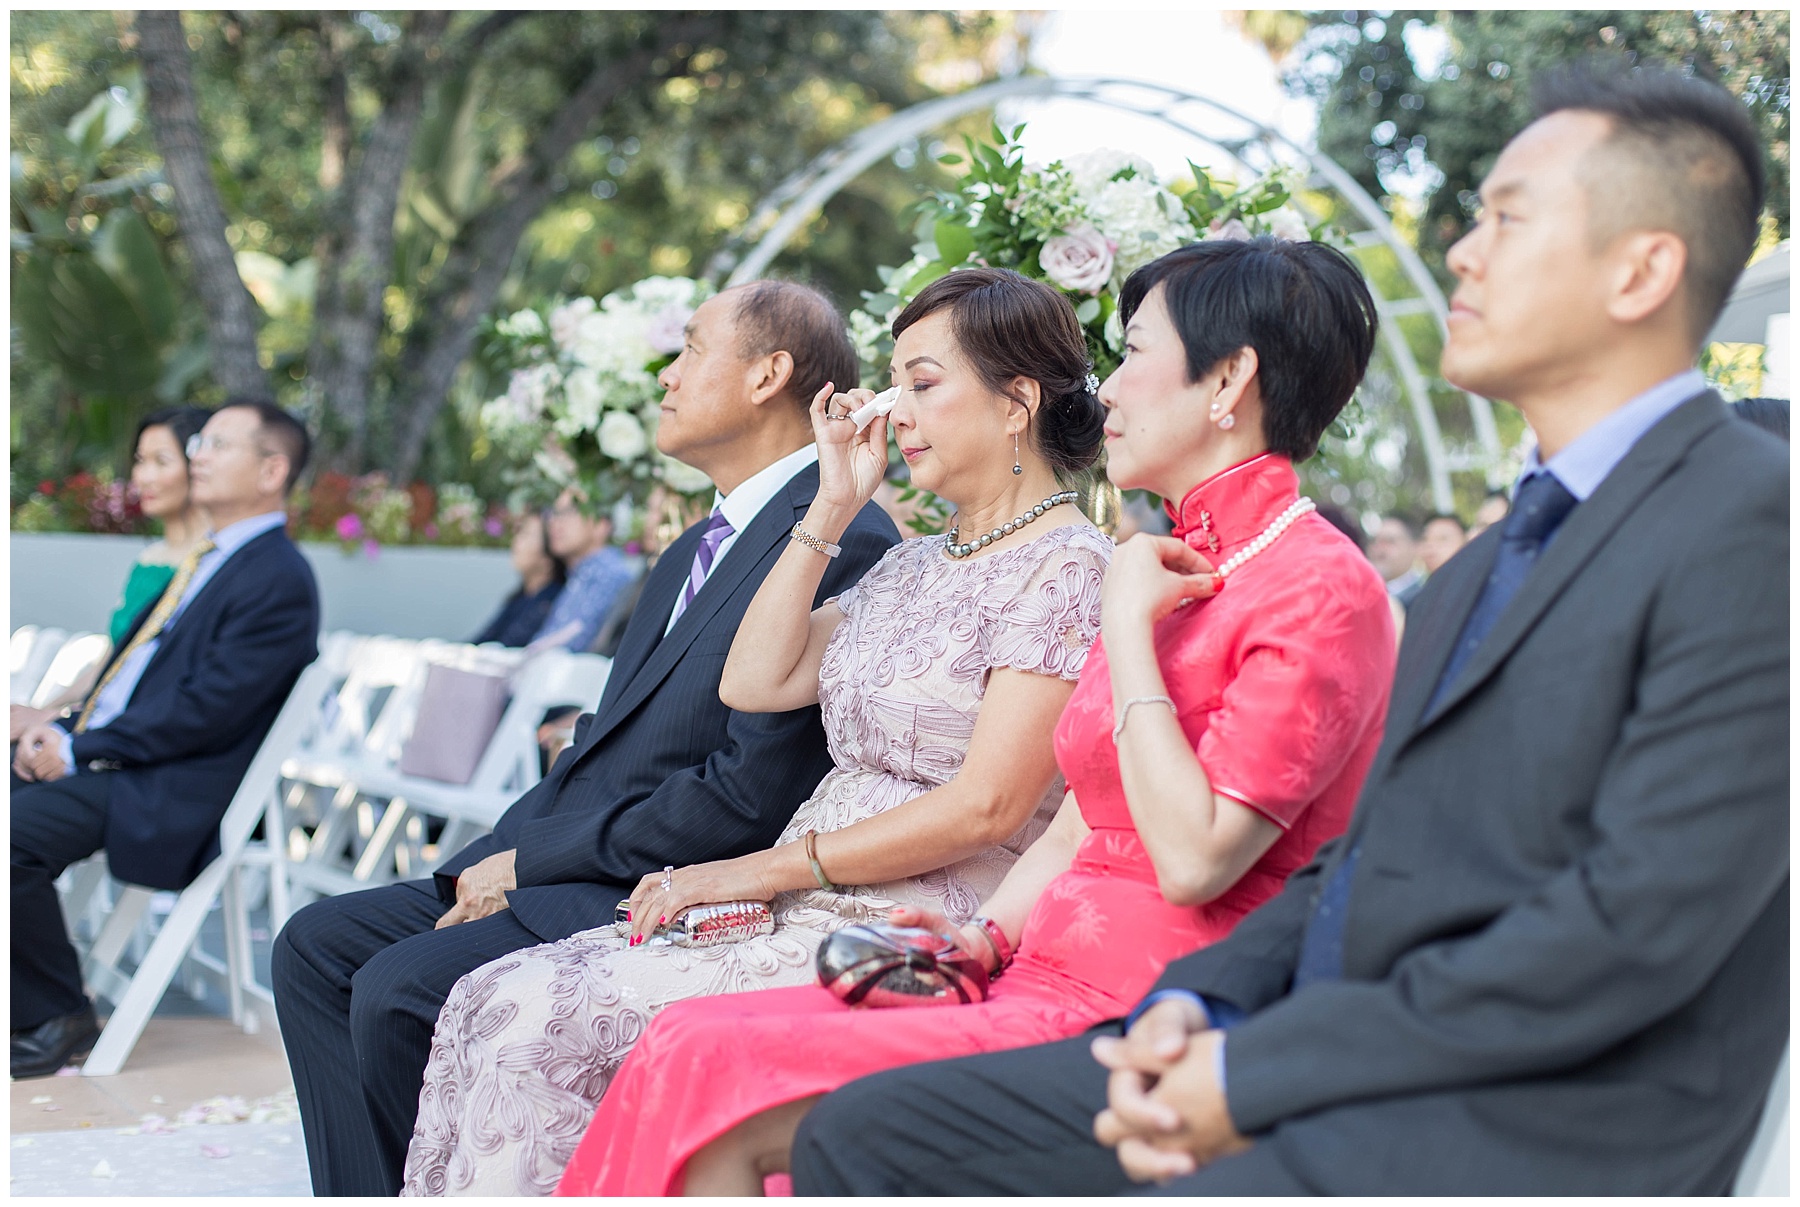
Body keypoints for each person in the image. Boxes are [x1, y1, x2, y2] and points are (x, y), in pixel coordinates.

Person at [789, 61, 1788, 1198]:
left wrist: (1258, 1071)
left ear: (1643, 267)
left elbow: (1632, 928)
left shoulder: (1753, 518)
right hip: (1356, 1050)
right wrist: (1191, 1009)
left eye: (1508, 218)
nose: (1462, 251)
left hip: (1551, 1114)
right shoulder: (1478, 575)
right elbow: (1360, 866)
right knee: (864, 1135)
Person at [554, 235, 1398, 1195]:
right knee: (688, 1043)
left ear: (1229, 380)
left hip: (1156, 1005)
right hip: (1029, 955)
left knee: (724, 1084)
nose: (1108, 388)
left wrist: (1125, 636)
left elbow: (1195, 857)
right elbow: (1084, 817)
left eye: (1134, 354)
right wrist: (986, 939)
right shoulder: (1176, 563)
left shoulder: (1312, 587)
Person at [400, 267, 1112, 1196]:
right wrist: (829, 507)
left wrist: (754, 870)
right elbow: (757, 678)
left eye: (923, 383)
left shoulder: (1068, 569)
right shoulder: (916, 562)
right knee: (488, 999)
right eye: (893, 381)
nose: (894, 409)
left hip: (914, 914)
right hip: (799, 892)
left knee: (540, 1013)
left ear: (1017, 400)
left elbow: (988, 804)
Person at [270, 278, 899, 1197]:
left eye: (689, 349)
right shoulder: (697, 544)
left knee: (399, 986)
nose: (666, 374)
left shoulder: (844, 536)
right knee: (315, 946)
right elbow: (597, 746)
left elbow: (744, 795)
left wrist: (529, 866)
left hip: (657, 885)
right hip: (571, 860)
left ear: (769, 373)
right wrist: (484, 861)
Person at [12, 399, 320, 1079]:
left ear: (272, 469)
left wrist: (79, 748)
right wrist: (61, 728)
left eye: (215, 444)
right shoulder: (211, 558)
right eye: (198, 443)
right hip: (117, 757)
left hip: (158, 782)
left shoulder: (277, 577)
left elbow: (205, 710)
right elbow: (137, 679)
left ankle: (54, 1015)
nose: (198, 455)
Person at [10, 405, 213, 740]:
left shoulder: (210, 566)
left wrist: (55, 719)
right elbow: (109, 662)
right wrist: (44, 713)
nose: (143, 477)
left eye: (161, 462)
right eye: (140, 460)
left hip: (133, 737)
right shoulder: (151, 558)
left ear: (200, 466)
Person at [527, 488, 635, 653]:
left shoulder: (609, 575)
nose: (554, 522)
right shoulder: (580, 574)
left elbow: (574, 644)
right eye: (554, 513)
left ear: (601, 525)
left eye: (568, 512)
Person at [471, 511, 566, 647]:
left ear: (548, 558)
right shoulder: (521, 597)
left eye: (526, 534)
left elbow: (508, 647)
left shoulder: (548, 602)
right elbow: (484, 638)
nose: (516, 541)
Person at [1368, 513, 1424, 608]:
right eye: (1375, 541)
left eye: (1390, 541)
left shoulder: (1424, 600)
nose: (1380, 549)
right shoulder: (1365, 596)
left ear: (1415, 547)